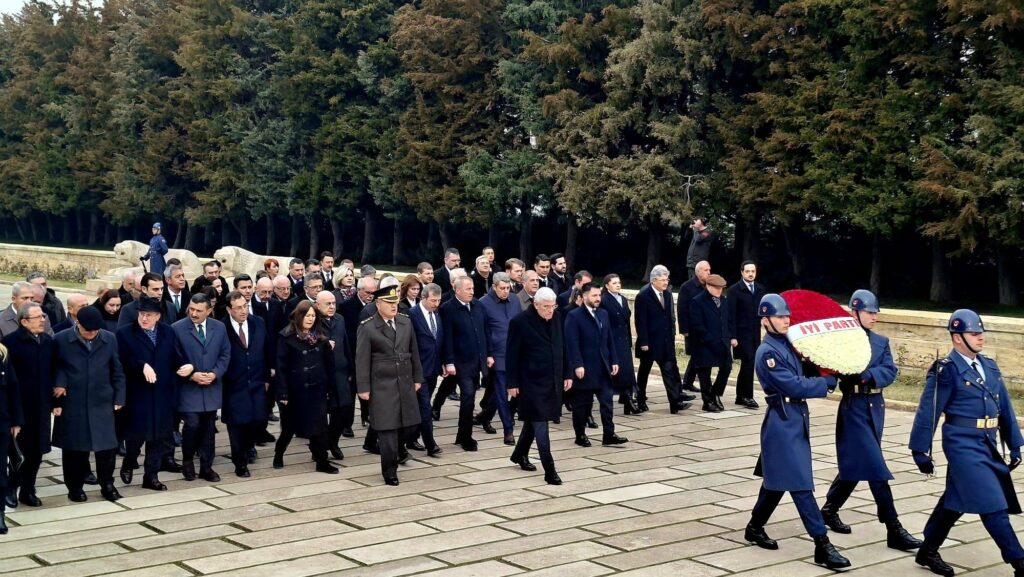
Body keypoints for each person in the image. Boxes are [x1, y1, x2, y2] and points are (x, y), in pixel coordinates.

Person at [909, 309, 1024, 577]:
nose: (980, 337)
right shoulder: (946, 370)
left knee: (955, 500)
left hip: (988, 444)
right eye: (974, 333)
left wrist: (1015, 443)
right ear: (957, 338)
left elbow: (1004, 407)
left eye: (981, 332)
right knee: (992, 503)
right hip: (962, 445)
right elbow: (929, 410)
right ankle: (1019, 561)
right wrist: (920, 449)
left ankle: (927, 550)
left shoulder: (989, 366)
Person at [744, 293, 850, 569]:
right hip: (782, 422)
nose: (786, 320)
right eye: (780, 317)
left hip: (793, 419)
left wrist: (826, 361)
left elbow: (806, 367)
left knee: (776, 483)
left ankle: (754, 527)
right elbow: (792, 385)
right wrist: (824, 385)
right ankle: (822, 544)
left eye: (787, 316)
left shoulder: (788, 345)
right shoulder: (767, 352)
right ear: (765, 320)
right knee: (801, 485)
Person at [817, 290, 922, 550]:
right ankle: (894, 528)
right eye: (869, 312)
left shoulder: (881, 341)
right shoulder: (840, 341)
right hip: (853, 407)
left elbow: (890, 370)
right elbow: (830, 371)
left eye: (875, 312)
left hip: (875, 406)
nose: (874, 317)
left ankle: (829, 510)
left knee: (857, 463)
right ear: (854, 312)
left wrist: (867, 375)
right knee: (875, 466)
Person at [52, 306, 126, 503]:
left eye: (96, 330)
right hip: (73, 402)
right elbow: (55, 367)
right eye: (88, 330)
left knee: (107, 448)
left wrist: (119, 397)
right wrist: (59, 387)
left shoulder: (109, 338)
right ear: (78, 323)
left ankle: (107, 485)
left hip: (102, 401)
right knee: (74, 449)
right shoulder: (61, 339)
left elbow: (117, 369)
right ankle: (75, 488)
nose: (92, 334)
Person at [356, 285, 423, 486]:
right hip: (382, 385)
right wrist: (363, 388)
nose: (394, 307)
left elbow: (414, 352)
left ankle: (398, 451)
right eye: (389, 303)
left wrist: (418, 377)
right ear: (378, 304)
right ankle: (390, 471)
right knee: (387, 430)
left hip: (404, 382)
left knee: (411, 425)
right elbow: (361, 360)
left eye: (396, 303)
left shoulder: (405, 322)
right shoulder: (367, 327)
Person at [507, 288, 569, 485]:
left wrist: (567, 373)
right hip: (530, 383)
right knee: (541, 423)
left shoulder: (558, 317)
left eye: (553, 306)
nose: (550, 310)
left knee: (533, 421)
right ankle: (550, 470)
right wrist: (512, 383)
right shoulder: (520, 322)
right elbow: (512, 356)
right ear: (535, 305)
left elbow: (563, 347)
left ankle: (519, 454)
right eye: (546, 307)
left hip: (553, 380)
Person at [116, 297, 178, 491]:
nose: (144, 319)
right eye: (142, 314)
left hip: (162, 393)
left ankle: (151, 476)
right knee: (135, 436)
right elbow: (121, 360)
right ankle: (129, 461)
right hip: (138, 394)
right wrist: (140, 365)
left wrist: (186, 366)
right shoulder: (125, 333)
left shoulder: (168, 332)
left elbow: (175, 356)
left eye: (149, 315)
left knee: (158, 437)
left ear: (158, 317)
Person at [172, 293, 231, 483]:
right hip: (188, 388)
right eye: (191, 309)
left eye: (199, 310)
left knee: (208, 428)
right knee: (192, 424)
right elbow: (173, 357)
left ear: (209, 311)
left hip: (211, 386)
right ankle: (187, 461)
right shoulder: (177, 328)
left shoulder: (219, 327)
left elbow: (225, 354)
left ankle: (207, 467)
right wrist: (192, 375)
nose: (194, 313)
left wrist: (215, 374)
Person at [273, 301, 337, 474]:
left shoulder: (320, 338)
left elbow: (329, 365)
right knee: (288, 428)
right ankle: (279, 453)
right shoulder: (287, 337)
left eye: (313, 316)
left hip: (317, 389)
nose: (310, 319)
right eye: (307, 315)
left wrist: (331, 387)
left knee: (320, 427)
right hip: (295, 391)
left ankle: (321, 460)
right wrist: (283, 392)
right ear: (299, 316)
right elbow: (281, 367)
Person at [565, 282, 628, 447]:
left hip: (603, 367)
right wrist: (577, 364)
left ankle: (609, 434)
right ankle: (580, 435)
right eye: (594, 295)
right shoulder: (574, 316)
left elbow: (609, 340)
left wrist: (614, 360)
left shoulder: (603, 314)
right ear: (584, 296)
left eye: (599, 295)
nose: (598, 298)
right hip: (585, 368)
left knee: (607, 402)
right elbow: (572, 343)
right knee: (582, 405)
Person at [1, 303, 50, 509]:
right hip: (21, 407)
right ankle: (11, 488)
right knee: (18, 451)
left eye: (43, 316)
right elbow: (9, 383)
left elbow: (53, 371)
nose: (42, 320)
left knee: (37, 451)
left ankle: (28, 489)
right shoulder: (11, 343)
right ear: (24, 322)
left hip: (42, 406)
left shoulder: (48, 341)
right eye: (37, 317)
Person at [219, 291, 271, 478]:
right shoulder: (220, 327)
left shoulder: (258, 323)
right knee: (236, 424)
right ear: (228, 309)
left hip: (256, 382)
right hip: (233, 384)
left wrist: (266, 377)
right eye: (239, 308)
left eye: (245, 306)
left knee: (255, 420)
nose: (243, 311)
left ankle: (249, 447)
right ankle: (239, 462)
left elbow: (265, 350)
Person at [634, 265, 694, 414]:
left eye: (667, 280)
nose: (665, 283)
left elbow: (668, 318)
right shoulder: (643, 295)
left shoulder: (666, 294)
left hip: (664, 342)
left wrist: (671, 338)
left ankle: (675, 403)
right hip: (649, 343)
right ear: (653, 280)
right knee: (644, 372)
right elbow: (640, 321)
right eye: (662, 280)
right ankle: (640, 398)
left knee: (668, 371)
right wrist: (644, 342)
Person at [441, 276, 489, 451]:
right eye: (468, 289)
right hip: (460, 363)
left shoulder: (478, 306)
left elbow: (484, 331)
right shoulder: (448, 309)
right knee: (468, 397)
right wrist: (449, 362)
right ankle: (466, 437)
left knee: (470, 398)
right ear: (457, 290)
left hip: (476, 361)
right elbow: (447, 338)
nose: (472, 291)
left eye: (472, 288)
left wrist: (488, 355)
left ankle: (462, 435)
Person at [474, 273, 520, 445]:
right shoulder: (484, 303)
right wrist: (488, 354)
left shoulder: (515, 300)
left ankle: (484, 416)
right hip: (497, 354)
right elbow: (482, 332)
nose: (505, 291)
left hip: (515, 353)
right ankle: (508, 431)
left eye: (508, 288)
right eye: (502, 288)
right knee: (502, 392)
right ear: (493, 286)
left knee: (496, 390)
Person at [687, 274, 736, 413]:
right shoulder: (697, 301)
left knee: (726, 368)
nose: (719, 291)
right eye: (717, 288)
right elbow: (697, 325)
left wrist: (731, 336)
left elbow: (728, 320)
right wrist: (708, 339)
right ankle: (707, 401)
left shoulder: (724, 301)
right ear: (708, 286)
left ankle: (715, 393)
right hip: (704, 343)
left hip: (722, 342)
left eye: (721, 288)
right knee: (704, 373)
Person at [407, 283, 445, 457]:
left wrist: (444, 362)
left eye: (438, 300)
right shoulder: (412, 315)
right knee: (424, 407)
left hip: (433, 368)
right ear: (423, 298)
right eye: (433, 300)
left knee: (417, 407)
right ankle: (431, 444)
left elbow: (439, 340)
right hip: (418, 370)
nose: (436, 304)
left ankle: (410, 438)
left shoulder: (437, 314)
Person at [316, 291, 354, 459]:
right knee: (321, 414)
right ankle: (319, 448)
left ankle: (333, 442)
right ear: (318, 305)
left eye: (333, 303)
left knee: (343, 410)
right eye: (327, 304)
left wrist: (350, 369)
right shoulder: (313, 321)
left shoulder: (340, 319)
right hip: (322, 375)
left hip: (340, 373)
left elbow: (345, 343)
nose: (332, 307)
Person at [727, 261, 765, 408]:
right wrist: (733, 336)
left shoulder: (761, 289)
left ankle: (740, 395)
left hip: (755, 333)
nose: (750, 274)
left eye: (753, 271)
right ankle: (747, 396)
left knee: (748, 364)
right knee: (748, 362)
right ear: (742, 272)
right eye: (747, 271)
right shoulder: (734, 290)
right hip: (741, 334)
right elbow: (731, 315)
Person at [601, 274, 638, 414]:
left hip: (624, 339)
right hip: (613, 339)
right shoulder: (604, 300)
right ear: (607, 285)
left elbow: (627, 321)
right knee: (618, 371)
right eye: (614, 283)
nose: (618, 285)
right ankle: (627, 399)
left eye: (619, 282)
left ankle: (628, 398)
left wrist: (629, 338)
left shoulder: (622, 298)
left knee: (628, 370)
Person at [677, 260, 711, 393]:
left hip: (706, 327)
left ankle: (687, 382)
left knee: (697, 355)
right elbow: (682, 309)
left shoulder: (709, 286)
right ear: (698, 272)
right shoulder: (687, 287)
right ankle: (689, 382)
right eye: (706, 270)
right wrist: (684, 329)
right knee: (696, 355)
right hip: (692, 328)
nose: (709, 272)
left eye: (709, 270)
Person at [0, 340, 21, 533]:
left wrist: (16, 420)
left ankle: (0, 513)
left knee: (0, 472)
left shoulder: (2, 354)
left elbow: (13, 389)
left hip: (1, 422)